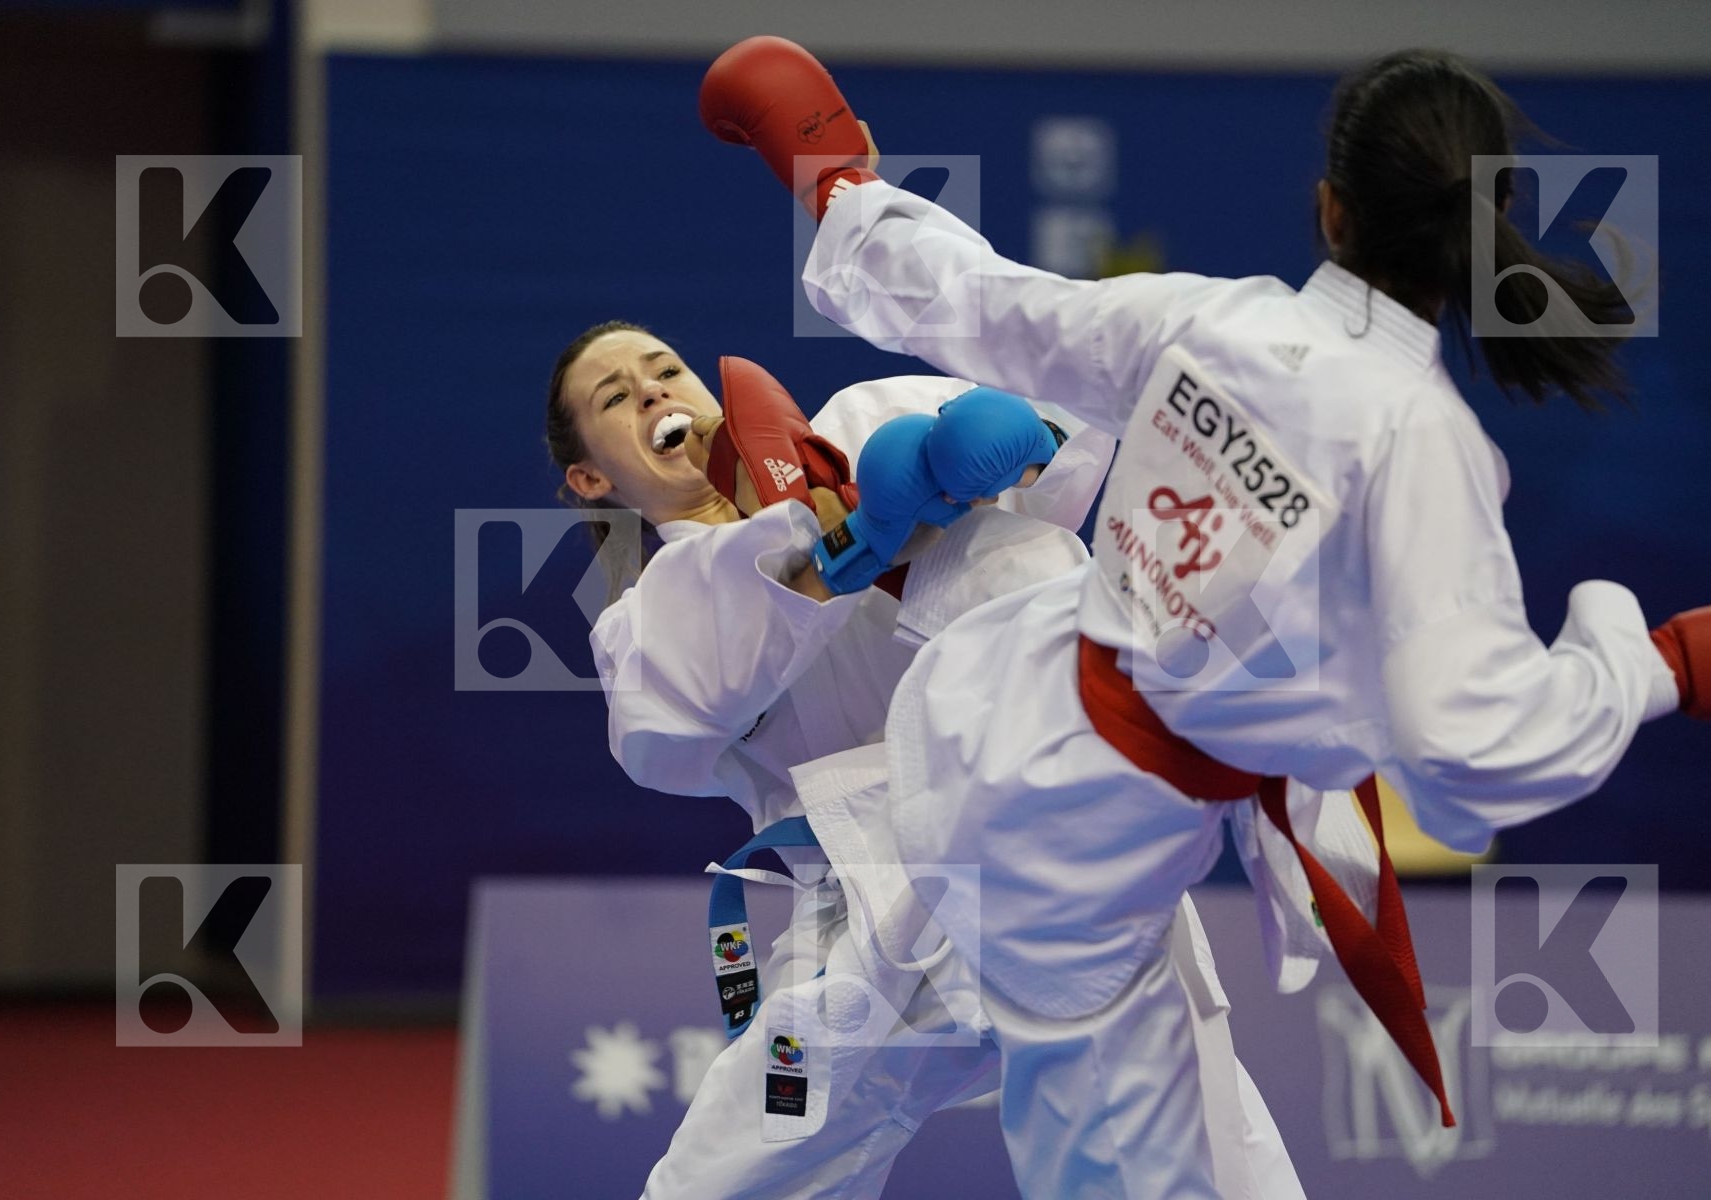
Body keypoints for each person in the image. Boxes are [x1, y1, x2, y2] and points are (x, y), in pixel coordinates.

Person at [700, 38, 1711, 1197]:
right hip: (1078, 843)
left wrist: (839, 185)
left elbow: (991, 306)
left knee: (875, 1075)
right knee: (1122, 1162)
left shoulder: (1218, 323)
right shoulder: (1422, 445)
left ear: (1330, 211)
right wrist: (1650, 661)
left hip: (993, 719)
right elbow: (1474, 753)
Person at [547, 322, 1302, 1197]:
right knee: (720, 1179)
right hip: (865, 921)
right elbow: (669, 734)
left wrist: (1017, 445)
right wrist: (849, 542)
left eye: (665, 370)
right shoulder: (646, 620)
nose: (651, 392)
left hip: (1039, 836)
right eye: (616, 397)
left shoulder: (860, 425)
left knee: (1186, 1154)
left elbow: (1050, 462)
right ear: (591, 478)